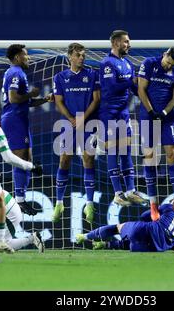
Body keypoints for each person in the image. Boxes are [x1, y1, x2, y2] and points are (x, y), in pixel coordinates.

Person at [52, 43, 100, 223]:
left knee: (88, 158)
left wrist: (82, 118)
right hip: (68, 123)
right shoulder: (60, 77)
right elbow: (59, 101)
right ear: (70, 57)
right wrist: (71, 118)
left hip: (88, 123)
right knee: (65, 158)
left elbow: (96, 100)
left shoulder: (92, 75)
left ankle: (89, 203)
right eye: (78, 55)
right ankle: (59, 203)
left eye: (83, 55)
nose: (82, 58)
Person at [137, 46, 174, 221]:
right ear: (164, 54)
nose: (168, 67)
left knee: (172, 153)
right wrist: (151, 112)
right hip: (147, 116)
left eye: (171, 65)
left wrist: (163, 113)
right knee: (150, 156)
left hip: (167, 117)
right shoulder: (149, 64)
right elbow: (141, 89)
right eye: (167, 63)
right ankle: (153, 205)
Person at [1, 44, 50, 213]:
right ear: (16, 57)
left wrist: (43, 99)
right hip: (14, 120)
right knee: (21, 159)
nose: (28, 58)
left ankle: (21, 198)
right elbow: (14, 98)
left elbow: (25, 101)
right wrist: (32, 94)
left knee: (27, 158)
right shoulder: (15, 72)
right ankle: (19, 200)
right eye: (25, 55)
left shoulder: (17, 73)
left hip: (19, 119)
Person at [99, 30, 146, 206]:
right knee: (113, 151)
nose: (129, 45)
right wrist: (132, 82)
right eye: (126, 42)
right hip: (109, 113)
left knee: (126, 151)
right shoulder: (107, 63)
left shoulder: (127, 64)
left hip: (123, 113)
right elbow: (112, 88)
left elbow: (134, 89)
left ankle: (130, 190)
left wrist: (148, 99)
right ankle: (118, 193)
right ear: (116, 43)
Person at [76, 203, 174, 252]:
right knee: (135, 243)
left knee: (118, 228)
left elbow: (144, 216)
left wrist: (157, 216)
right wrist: (171, 246)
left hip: (146, 230)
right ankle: (106, 245)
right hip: (157, 248)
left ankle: (85, 236)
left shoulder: (169, 207)